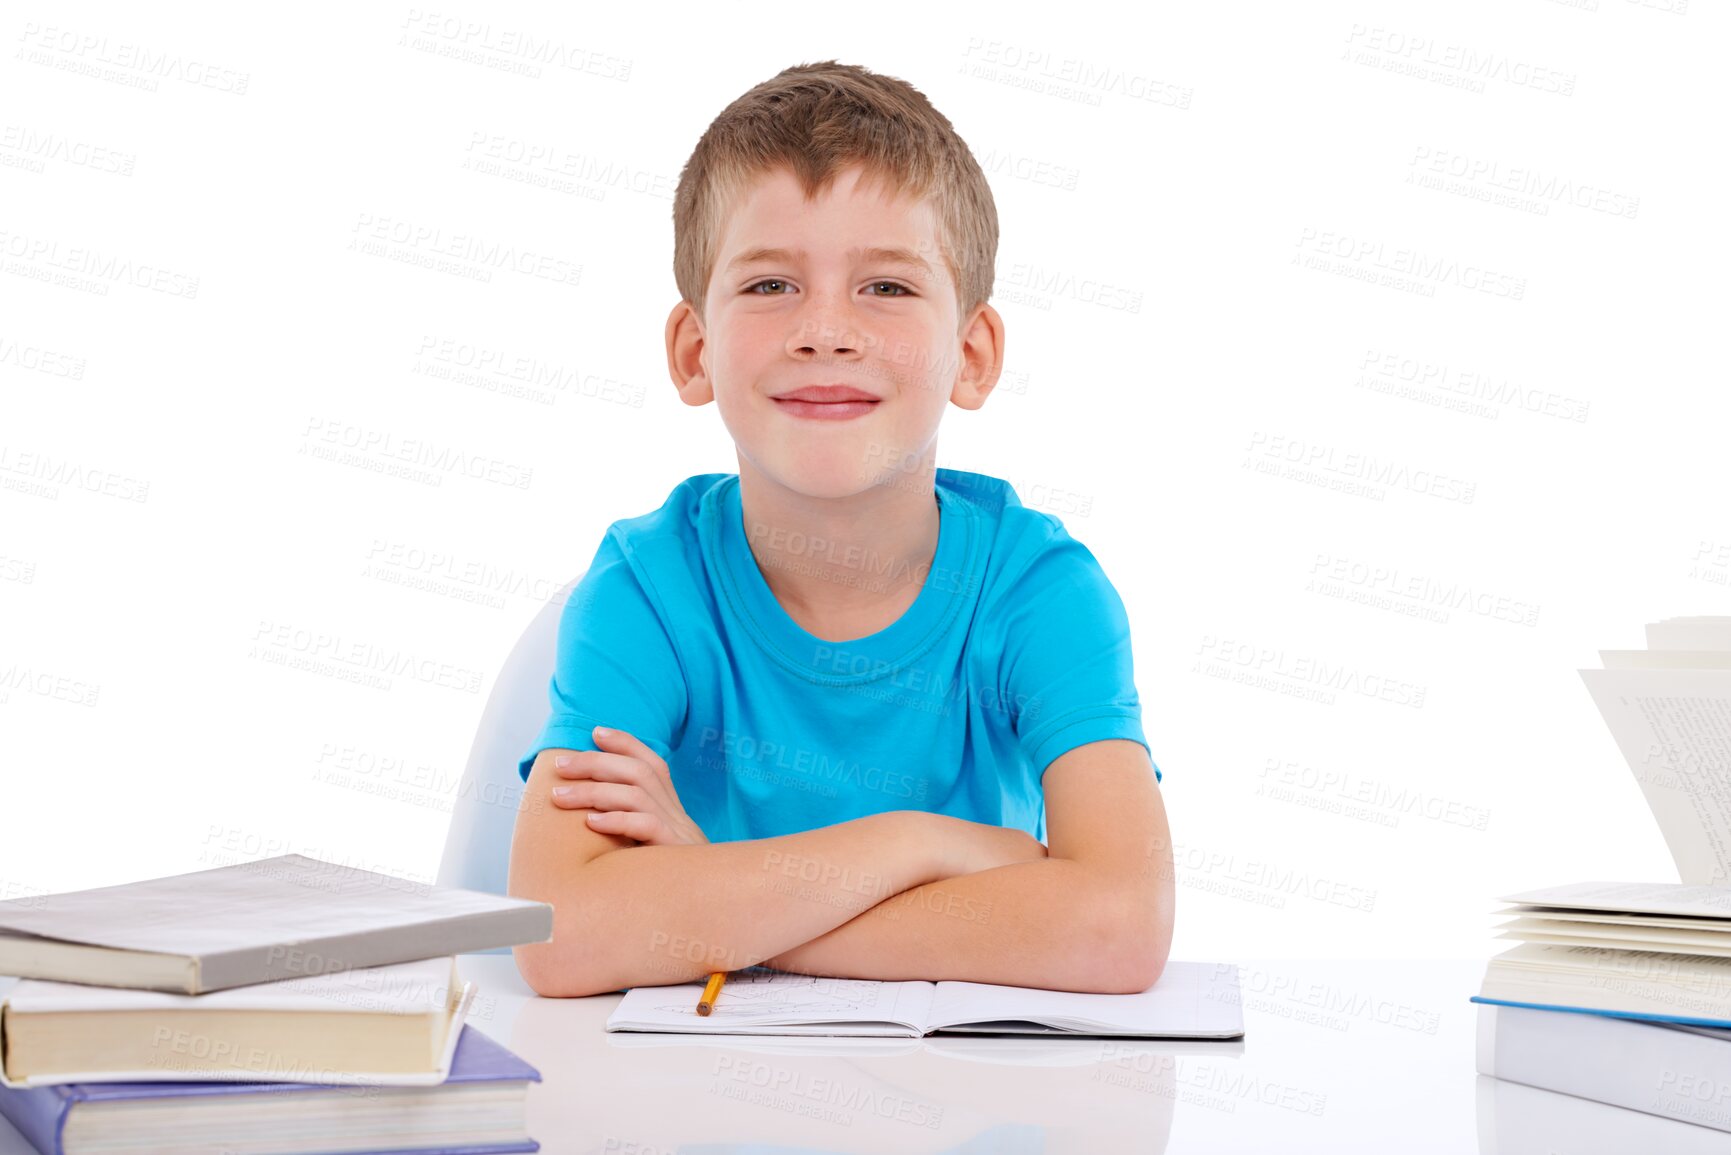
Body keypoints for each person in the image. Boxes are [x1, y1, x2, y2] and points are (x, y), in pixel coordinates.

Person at [508, 60, 1173, 999]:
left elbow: (1116, 927)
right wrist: (927, 845)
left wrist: (719, 909)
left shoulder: (1042, 592)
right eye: (771, 285)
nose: (825, 330)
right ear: (694, 352)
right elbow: (562, 934)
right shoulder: (645, 587)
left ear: (971, 356)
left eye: (887, 289)